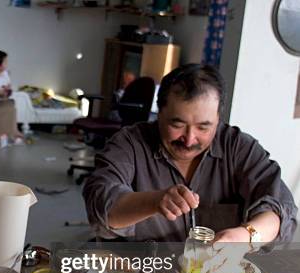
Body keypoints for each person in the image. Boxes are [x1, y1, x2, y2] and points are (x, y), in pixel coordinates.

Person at [83, 64, 298, 243]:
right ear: (159, 112)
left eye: (203, 127)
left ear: (217, 119)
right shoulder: (128, 144)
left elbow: (281, 208)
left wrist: (244, 236)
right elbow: (102, 208)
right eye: (177, 124)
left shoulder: (237, 147)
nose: (189, 138)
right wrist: (155, 201)